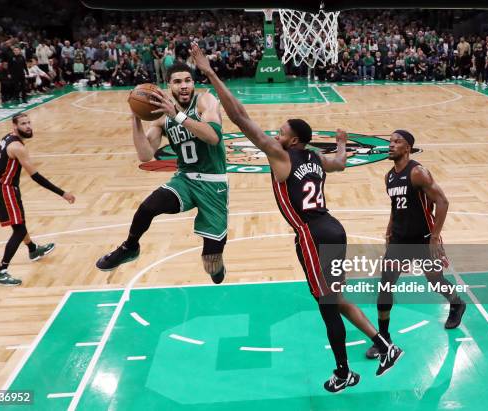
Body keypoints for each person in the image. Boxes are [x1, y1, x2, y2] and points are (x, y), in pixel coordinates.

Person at [191, 43, 403, 393]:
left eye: (281, 132)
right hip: (333, 228)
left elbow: (240, 117)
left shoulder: (283, 156)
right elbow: (341, 162)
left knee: (326, 305)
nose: (275, 135)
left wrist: (210, 72)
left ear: (293, 140)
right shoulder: (316, 158)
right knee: (336, 297)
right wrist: (340, 142)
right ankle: (385, 345)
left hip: (311, 234)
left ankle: (343, 371)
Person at [95, 62, 229, 285]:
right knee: (148, 207)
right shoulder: (161, 116)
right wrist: (135, 117)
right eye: (177, 82)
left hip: (213, 183)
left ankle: (216, 261)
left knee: (212, 267)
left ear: (193, 83)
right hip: (185, 180)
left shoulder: (205, 101)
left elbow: (213, 137)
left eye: (187, 80)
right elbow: (146, 155)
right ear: (169, 86)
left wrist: (177, 115)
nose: (184, 86)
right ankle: (129, 247)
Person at [365, 130, 466, 359]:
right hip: (400, 240)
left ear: (407, 148)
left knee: (435, 280)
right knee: (385, 286)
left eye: (397, 142)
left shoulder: (418, 172)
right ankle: (384, 339)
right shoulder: (389, 176)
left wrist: (434, 237)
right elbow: (396, 206)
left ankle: (457, 303)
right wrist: (390, 229)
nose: (391, 145)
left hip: (423, 239)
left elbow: (442, 201)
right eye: (390, 141)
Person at [0, 114, 76, 286]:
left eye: (29, 123)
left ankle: (33, 250)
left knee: (19, 224)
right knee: (19, 230)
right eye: (23, 124)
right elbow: (35, 177)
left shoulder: (6, 138)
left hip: (2, 187)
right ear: (15, 127)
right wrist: (62, 193)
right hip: (5, 189)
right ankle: (1, 271)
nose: (28, 126)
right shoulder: (17, 147)